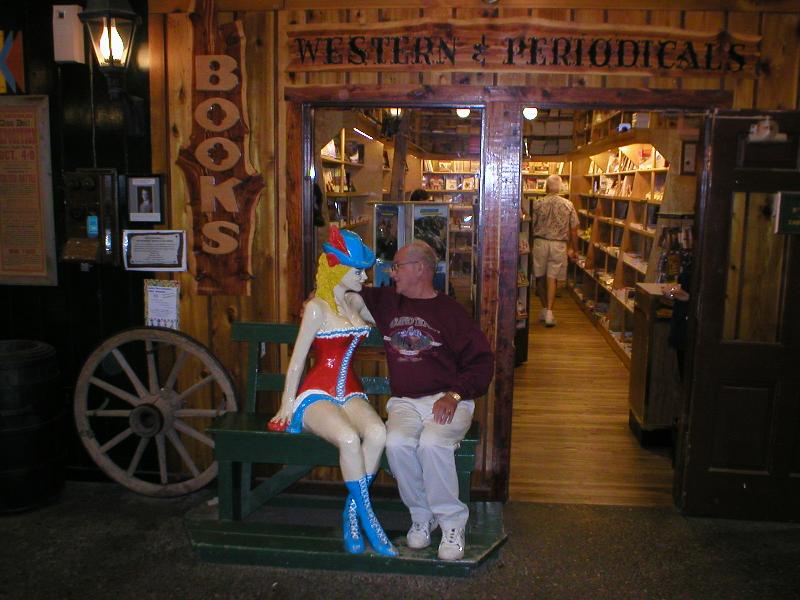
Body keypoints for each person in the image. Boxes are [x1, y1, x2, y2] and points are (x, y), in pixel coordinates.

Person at [347, 240, 494, 561]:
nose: (392, 272)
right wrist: (318, 298)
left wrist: (455, 395)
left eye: (397, 266)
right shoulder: (388, 302)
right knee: (396, 443)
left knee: (431, 443)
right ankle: (421, 515)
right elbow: (346, 292)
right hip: (405, 403)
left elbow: (482, 363)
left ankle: (452, 522)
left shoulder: (450, 312)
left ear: (419, 269)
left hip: (448, 399)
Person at [268, 226, 397, 557]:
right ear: (337, 269)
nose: (365, 277)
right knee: (350, 439)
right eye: (358, 271)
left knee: (378, 433)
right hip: (316, 394)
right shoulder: (316, 308)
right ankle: (368, 520)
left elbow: (387, 319)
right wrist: (286, 404)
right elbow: (297, 360)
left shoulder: (354, 302)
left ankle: (351, 514)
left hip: (350, 391)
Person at [531, 174, 578, 327]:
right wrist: (574, 248)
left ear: (546, 187)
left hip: (540, 242)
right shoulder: (568, 205)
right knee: (553, 278)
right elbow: (574, 229)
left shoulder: (538, 204)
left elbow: (532, 225)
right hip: (559, 244)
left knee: (539, 276)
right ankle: (550, 313)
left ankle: (545, 308)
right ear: (561, 187)